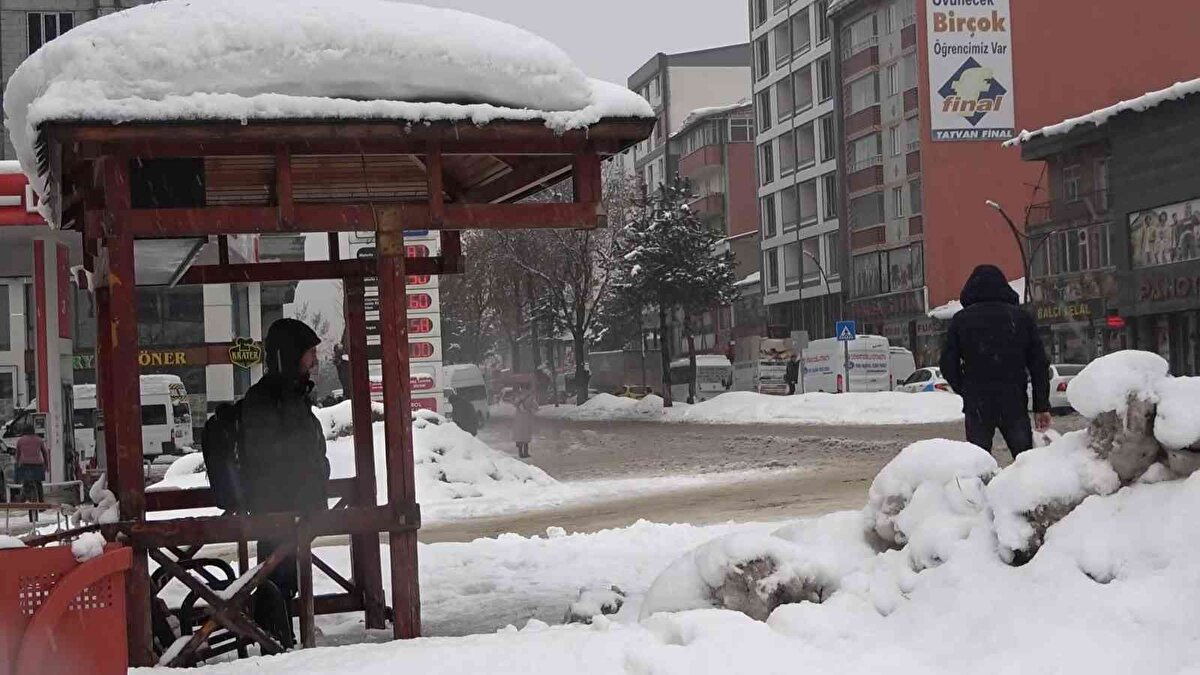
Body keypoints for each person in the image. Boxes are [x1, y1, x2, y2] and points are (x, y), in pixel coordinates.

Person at [238, 318, 330, 648]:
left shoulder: (290, 395)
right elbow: (275, 457)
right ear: (292, 355)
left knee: (284, 575)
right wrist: (302, 489)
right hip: (277, 509)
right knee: (275, 576)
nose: (315, 360)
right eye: (309, 353)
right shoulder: (269, 399)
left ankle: (280, 636)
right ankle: (274, 640)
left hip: (292, 508)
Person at [940, 264, 1051, 458]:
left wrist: (966, 388)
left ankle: (980, 487)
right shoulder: (1021, 318)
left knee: (978, 461)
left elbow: (947, 363)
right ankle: (1024, 488)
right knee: (1024, 460)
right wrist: (1041, 405)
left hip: (978, 402)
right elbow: (1039, 364)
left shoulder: (961, 320)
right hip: (1014, 400)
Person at [14, 425, 49, 522]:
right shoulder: (39, 440)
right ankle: (41, 505)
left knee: (25, 483)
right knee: (38, 485)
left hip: (25, 465)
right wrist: (46, 465)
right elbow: (45, 453)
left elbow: (17, 455)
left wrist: (17, 465)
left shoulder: (20, 440)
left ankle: (23, 499)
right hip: (38, 465)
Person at [512, 382, 537, 458]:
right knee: (526, 436)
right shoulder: (530, 396)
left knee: (520, 436)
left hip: (519, 418)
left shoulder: (519, 395)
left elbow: (514, 403)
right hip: (526, 418)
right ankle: (526, 453)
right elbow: (535, 406)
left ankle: (520, 453)